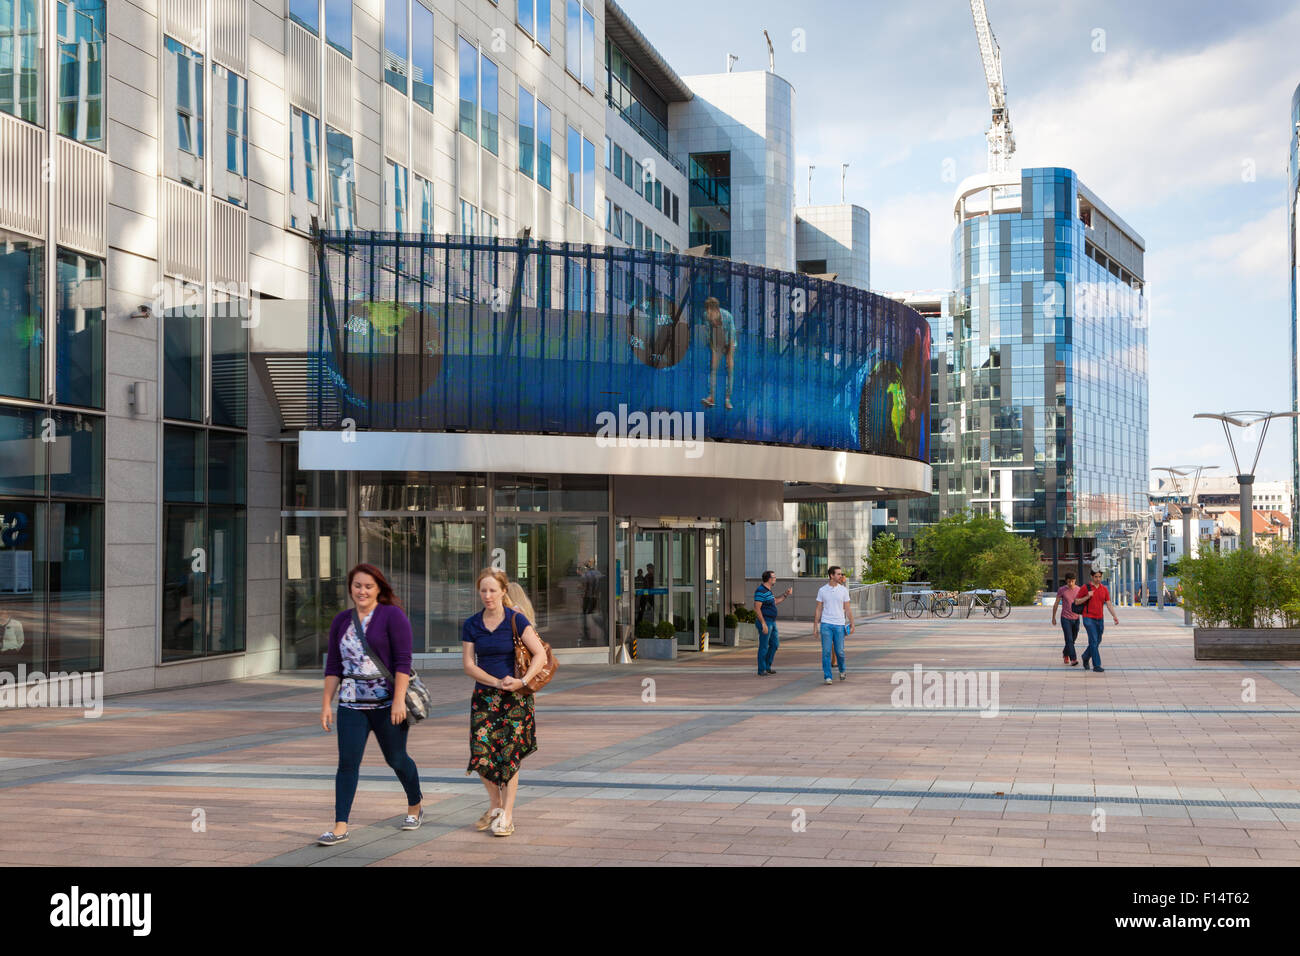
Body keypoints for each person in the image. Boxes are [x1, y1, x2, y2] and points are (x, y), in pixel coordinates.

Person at [318, 564, 423, 846]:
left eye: (368, 586)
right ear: (350, 588)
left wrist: (399, 700)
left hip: (387, 703)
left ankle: (415, 804)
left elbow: (403, 661)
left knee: (396, 759)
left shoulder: (392, 616)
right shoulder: (341, 621)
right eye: (357, 586)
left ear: (378, 588)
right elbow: (333, 666)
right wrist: (327, 703)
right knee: (347, 764)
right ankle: (340, 825)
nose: (362, 591)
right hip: (351, 704)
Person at [462, 569, 548, 837]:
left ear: (503, 592)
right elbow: (468, 665)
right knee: (481, 754)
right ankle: (495, 805)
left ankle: (506, 816)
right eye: (483, 590)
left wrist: (522, 682)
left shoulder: (516, 619)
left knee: (509, 756)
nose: (487, 595)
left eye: (492, 590)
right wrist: (495, 682)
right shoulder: (472, 624)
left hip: (516, 698)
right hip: (485, 697)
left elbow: (540, 656)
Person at [813, 566, 854, 684]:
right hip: (826, 624)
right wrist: (815, 626)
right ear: (831, 575)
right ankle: (827, 676)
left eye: (841, 574)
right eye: (838, 574)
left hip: (839, 625)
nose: (841, 576)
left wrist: (852, 623)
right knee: (826, 651)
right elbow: (818, 609)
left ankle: (842, 670)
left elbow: (847, 609)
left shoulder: (843, 590)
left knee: (840, 651)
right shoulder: (822, 590)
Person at [1073, 569, 1119, 673]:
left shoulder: (1104, 589)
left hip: (1100, 618)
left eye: (1099, 577)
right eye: (1096, 577)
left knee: (1097, 641)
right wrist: (1087, 596)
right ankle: (1097, 665)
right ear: (1092, 577)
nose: (1098, 579)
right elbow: (1076, 601)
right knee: (1093, 641)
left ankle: (1085, 656)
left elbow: (1108, 604)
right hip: (1088, 618)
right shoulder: (1086, 588)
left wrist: (1114, 616)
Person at [754, 571, 793, 676]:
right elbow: (757, 608)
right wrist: (763, 623)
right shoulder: (761, 591)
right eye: (774, 577)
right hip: (765, 622)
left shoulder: (768, 591)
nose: (775, 579)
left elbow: (775, 601)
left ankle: (767, 666)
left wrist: (785, 594)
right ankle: (761, 669)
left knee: (775, 644)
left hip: (772, 621)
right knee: (764, 646)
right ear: (769, 579)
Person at [701, 296, 737, 410]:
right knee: (713, 368)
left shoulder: (727, 316)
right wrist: (714, 352)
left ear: (716, 310)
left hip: (729, 342)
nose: (709, 315)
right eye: (707, 311)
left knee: (730, 369)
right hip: (717, 342)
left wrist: (729, 356)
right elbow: (709, 336)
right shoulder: (706, 316)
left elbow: (731, 338)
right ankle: (711, 397)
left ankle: (727, 399)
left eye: (710, 312)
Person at [1051, 572, 1081, 666]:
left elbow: (1083, 603)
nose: (1070, 584)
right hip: (1065, 618)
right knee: (1069, 639)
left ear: (1075, 580)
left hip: (1076, 618)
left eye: (1072, 581)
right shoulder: (1062, 590)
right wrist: (1053, 617)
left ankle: (1065, 653)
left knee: (1073, 639)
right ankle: (1073, 659)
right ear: (1066, 581)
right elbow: (1056, 603)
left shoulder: (1079, 590)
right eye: (1068, 582)